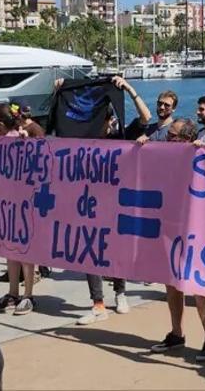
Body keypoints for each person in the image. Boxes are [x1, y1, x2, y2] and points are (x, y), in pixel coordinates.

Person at [148, 118, 205, 362]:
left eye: (172, 137)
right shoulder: (164, 157)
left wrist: (199, 151)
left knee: (199, 286)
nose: (167, 141)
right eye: (167, 136)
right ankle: (176, 333)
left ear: (186, 139)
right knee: (172, 282)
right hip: (170, 225)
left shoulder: (199, 156)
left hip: (196, 229)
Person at [76, 104, 131, 324]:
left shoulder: (120, 138)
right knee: (90, 253)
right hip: (89, 204)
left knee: (115, 251)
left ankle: (120, 293)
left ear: (109, 120)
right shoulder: (84, 140)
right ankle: (98, 304)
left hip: (114, 204)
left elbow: (145, 120)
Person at [0, 104, 40, 315]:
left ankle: (28, 295)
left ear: (0, 123)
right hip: (6, 202)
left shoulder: (19, 139)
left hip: (24, 202)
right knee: (9, 249)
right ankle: (13, 292)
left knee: (25, 250)